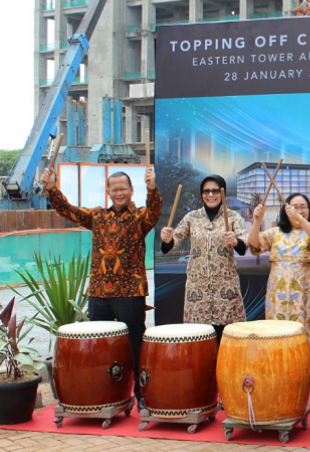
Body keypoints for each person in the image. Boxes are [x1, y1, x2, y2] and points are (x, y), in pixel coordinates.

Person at [41, 165, 162, 408]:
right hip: (99, 293)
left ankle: (141, 396)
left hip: (130, 292)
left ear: (131, 190)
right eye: (114, 189)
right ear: (108, 192)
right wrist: (52, 188)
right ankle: (106, 395)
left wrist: (152, 188)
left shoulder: (140, 218)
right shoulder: (98, 216)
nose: (119, 193)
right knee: (100, 346)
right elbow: (69, 211)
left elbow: (155, 211)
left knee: (136, 345)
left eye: (123, 188)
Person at [160, 175, 248, 344]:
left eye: (215, 191)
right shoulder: (191, 217)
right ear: (201, 194)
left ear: (223, 193)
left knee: (227, 341)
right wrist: (167, 239)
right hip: (198, 292)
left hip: (225, 292)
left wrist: (234, 241)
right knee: (200, 341)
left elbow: (243, 246)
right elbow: (173, 243)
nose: (211, 195)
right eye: (206, 191)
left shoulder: (233, 217)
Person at [248, 193, 310, 353]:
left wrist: (300, 219)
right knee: (277, 338)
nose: (299, 210)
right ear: (286, 210)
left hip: (303, 296)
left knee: (302, 338)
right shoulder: (275, 233)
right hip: (278, 297)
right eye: (295, 207)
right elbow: (254, 244)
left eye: (303, 207)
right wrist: (257, 220)